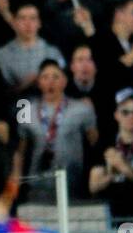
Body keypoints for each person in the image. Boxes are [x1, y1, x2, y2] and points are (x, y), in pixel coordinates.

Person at [19, 59, 98, 201]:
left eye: (55, 77)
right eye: (45, 77)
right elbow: (20, 150)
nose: (50, 82)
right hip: (36, 183)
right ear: (38, 82)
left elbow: (94, 143)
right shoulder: (25, 110)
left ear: (65, 81)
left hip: (73, 182)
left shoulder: (82, 108)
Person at [88, 92, 133, 217]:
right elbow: (93, 187)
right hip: (109, 211)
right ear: (116, 115)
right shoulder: (103, 145)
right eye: (125, 112)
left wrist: (123, 167)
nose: (131, 116)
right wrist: (111, 175)